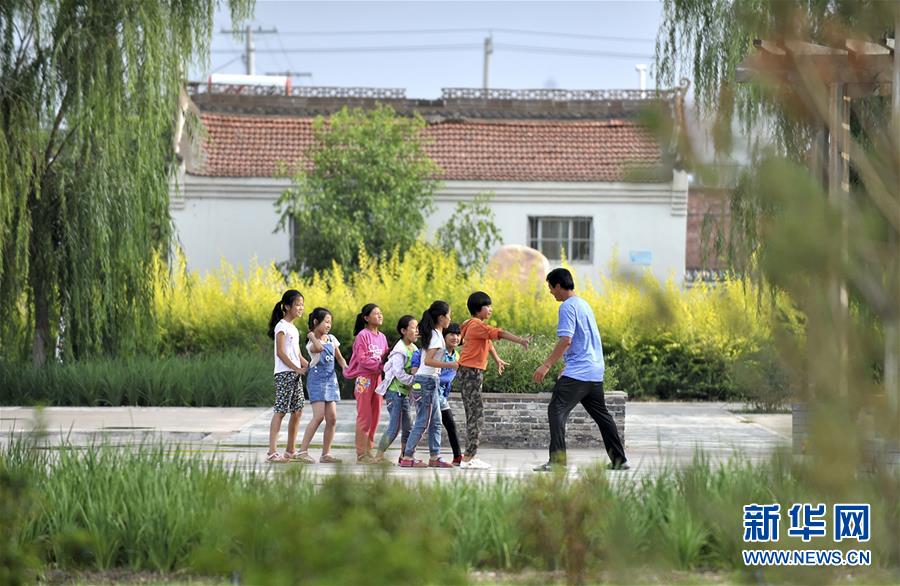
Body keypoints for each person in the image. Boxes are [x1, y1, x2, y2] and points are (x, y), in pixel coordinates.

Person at [532, 268, 628, 471]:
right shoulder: (584, 305)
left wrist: (547, 364)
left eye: (550, 287)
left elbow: (566, 339)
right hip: (594, 371)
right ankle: (620, 461)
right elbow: (583, 340)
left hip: (580, 372)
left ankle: (557, 462)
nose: (550, 292)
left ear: (559, 285)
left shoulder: (567, 307)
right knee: (603, 416)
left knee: (556, 410)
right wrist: (568, 365)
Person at [457, 291, 531, 470]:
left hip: (469, 371)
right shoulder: (476, 325)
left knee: (473, 414)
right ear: (478, 308)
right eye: (487, 306)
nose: (490, 309)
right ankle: (468, 458)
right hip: (471, 372)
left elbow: (488, 343)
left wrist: (497, 359)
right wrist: (521, 340)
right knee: (477, 415)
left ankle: (469, 456)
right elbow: (499, 333)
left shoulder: (470, 324)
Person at [400, 301, 457, 468]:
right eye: (449, 315)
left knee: (436, 421)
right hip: (426, 381)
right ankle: (408, 457)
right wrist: (451, 365)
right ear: (441, 317)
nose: (450, 319)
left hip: (430, 380)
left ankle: (435, 456)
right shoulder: (436, 336)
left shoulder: (435, 333)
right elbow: (428, 360)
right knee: (423, 421)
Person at [295, 307, 348, 464]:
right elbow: (318, 348)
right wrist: (311, 335)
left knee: (332, 419)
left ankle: (326, 454)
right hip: (316, 381)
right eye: (326, 322)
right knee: (318, 417)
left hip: (331, 381)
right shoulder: (311, 343)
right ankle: (302, 452)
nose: (329, 325)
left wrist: (347, 368)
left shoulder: (332, 339)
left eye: (330, 322)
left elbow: (340, 358)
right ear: (316, 322)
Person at [265, 289, 309, 463]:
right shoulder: (281, 326)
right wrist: (296, 369)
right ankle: (272, 452)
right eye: (297, 304)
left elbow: (297, 355)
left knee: (297, 411)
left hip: (294, 374)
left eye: (302, 305)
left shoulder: (293, 328)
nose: (301, 308)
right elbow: (281, 353)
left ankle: (290, 451)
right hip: (284, 374)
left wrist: (308, 365)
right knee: (281, 411)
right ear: (287, 306)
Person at [343, 303, 389, 464]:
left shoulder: (382, 337)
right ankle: (361, 454)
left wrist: (386, 366)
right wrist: (380, 366)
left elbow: (386, 357)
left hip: (378, 379)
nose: (380, 316)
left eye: (380, 313)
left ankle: (369, 452)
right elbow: (362, 360)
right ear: (366, 318)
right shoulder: (362, 336)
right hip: (364, 379)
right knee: (365, 417)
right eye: (376, 314)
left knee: (375, 417)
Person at [373, 315, 418, 464]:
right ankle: (378, 457)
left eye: (417, 328)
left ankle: (404, 457)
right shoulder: (400, 350)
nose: (417, 331)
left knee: (408, 428)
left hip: (403, 394)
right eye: (413, 328)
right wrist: (414, 380)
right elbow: (398, 373)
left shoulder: (414, 348)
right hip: (395, 393)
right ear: (403, 330)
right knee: (394, 428)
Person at [438, 323, 463, 466]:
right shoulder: (439, 353)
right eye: (452, 334)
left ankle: (457, 457)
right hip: (432, 394)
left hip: (442, 397)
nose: (455, 337)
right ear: (444, 336)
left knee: (451, 425)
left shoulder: (456, 355)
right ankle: (406, 454)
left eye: (458, 334)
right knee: (423, 426)